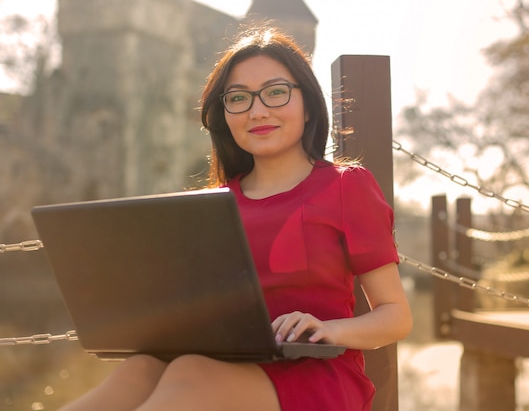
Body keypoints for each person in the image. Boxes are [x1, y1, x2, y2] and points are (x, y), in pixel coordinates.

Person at [59, 25, 412, 411]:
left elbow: (395, 316)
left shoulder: (346, 186)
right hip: (209, 367)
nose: (257, 111)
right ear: (223, 114)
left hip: (312, 375)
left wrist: (326, 329)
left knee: (190, 375)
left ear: (308, 103)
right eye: (238, 98)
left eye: (276, 92)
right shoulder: (208, 207)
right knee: (141, 368)